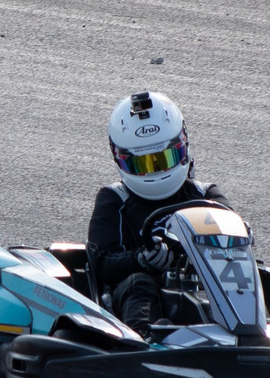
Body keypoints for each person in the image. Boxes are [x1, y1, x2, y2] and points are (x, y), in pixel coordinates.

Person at [84, 91, 225, 331]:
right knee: (139, 283)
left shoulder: (206, 194)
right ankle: (146, 336)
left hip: (203, 287)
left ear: (183, 144)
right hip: (135, 297)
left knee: (259, 277)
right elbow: (103, 262)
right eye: (143, 164)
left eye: (165, 158)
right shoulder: (115, 199)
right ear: (121, 158)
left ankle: (264, 330)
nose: (157, 171)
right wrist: (141, 259)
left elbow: (230, 235)